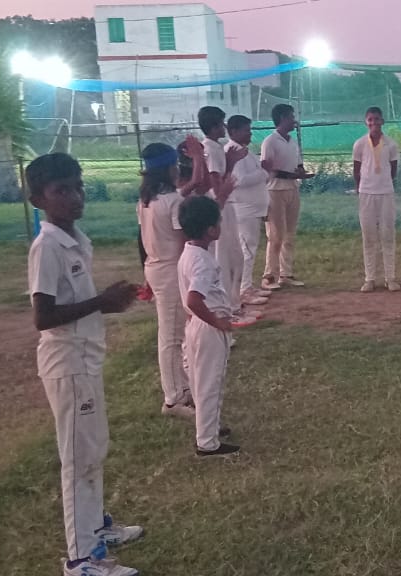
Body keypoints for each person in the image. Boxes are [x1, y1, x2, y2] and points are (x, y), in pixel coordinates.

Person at [26, 153, 143, 576]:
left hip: (86, 359)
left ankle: (96, 529)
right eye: (62, 191)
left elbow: (76, 302)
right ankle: (81, 560)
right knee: (78, 459)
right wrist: (100, 302)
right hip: (67, 363)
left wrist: (107, 303)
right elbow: (43, 316)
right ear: (39, 199)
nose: (75, 197)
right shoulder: (47, 247)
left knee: (94, 448)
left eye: (78, 187)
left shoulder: (74, 237)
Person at [178, 194, 241, 457]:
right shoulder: (203, 262)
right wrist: (217, 321)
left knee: (199, 381)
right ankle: (207, 443)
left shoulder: (188, 253)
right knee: (210, 383)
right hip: (208, 326)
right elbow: (194, 299)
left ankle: (209, 428)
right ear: (211, 230)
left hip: (195, 324)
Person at [138, 143, 194, 418]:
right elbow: (184, 242)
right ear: (169, 169)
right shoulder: (172, 201)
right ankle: (173, 399)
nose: (177, 170)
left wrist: (145, 273)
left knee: (174, 332)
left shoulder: (146, 200)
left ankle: (181, 387)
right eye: (175, 166)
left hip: (155, 266)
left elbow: (141, 239)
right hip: (170, 269)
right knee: (171, 336)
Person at [197, 106, 249, 316]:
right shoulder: (212, 149)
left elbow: (218, 177)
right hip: (220, 206)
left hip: (222, 205)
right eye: (221, 124)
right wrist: (231, 164)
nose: (224, 127)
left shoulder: (213, 147)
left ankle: (232, 302)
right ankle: (228, 305)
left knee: (232, 255)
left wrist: (230, 162)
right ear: (213, 126)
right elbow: (216, 183)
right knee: (227, 257)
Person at [261, 104, 313, 290]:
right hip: (275, 190)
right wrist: (292, 175)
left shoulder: (292, 141)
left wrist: (301, 172)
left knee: (289, 234)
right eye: (291, 117)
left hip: (292, 189)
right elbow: (268, 169)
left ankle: (286, 274)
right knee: (276, 234)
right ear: (282, 118)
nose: (294, 120)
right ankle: (269, 276)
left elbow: (298, 164)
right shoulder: (270, 141)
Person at [225, 114, 275, 307]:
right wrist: (264, 171)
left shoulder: (243, 151)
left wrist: (263, 172)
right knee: (246, 251)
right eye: (246, 130)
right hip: (244, 210)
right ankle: (243, 290)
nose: (250, 134)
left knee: (250, 249)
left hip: (252, 208)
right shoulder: (232, 152)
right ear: (234, 131)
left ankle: (247, 286)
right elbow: (240, 180)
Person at [353, 106, 401, 292]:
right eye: (370, 119)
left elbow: (393, 170)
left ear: (382, 121)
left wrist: (384, 183)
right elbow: (356, 171)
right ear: (366, 122)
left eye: (377, 119)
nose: (374, 123)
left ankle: (390, 278)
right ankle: (370, 278)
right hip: (366, 194)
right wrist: (362, 188)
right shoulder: (359, 144)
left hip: (386, 193)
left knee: (388, 235)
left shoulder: (391, 144)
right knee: (369, 237)